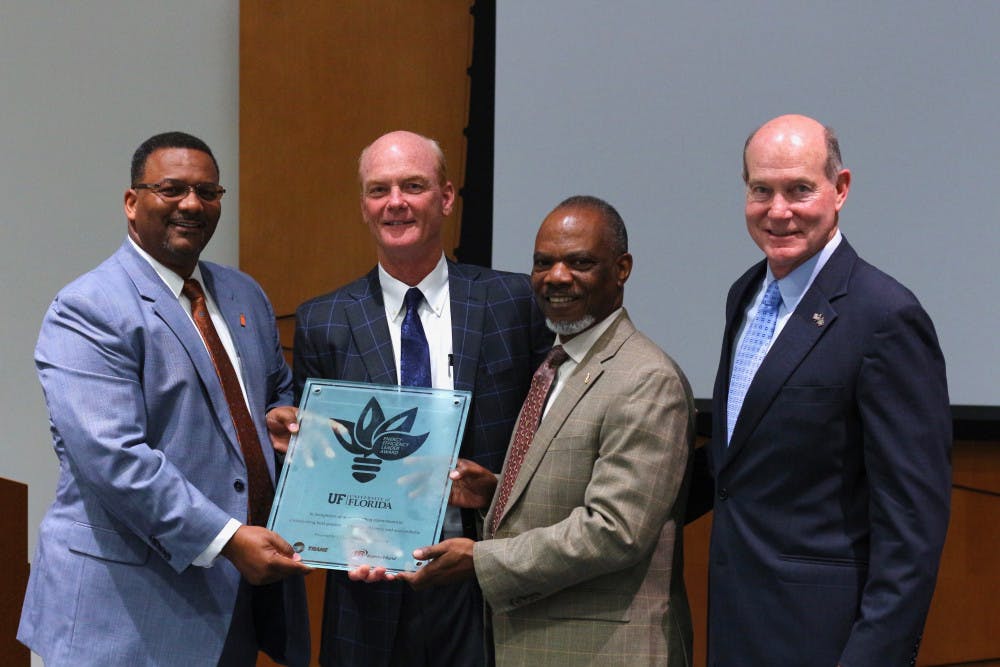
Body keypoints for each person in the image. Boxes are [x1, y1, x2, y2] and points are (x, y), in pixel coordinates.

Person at [355, 195, 696, 666]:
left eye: (580, 262)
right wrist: (494, 493)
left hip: (603, 651)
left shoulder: (646, 379)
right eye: (543, 262)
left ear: (622, 269)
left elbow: (615, 531)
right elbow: (567, 488)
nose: (557, 276)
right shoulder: (556, 366)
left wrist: (480, 560)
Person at [17, 131, 312, 666]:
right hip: (123, 614)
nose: (192, 205)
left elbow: (276, 389)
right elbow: (113, 458)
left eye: (208, 192)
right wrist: (227, 539)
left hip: (232, 607)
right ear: (132, 202)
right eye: (172, 189)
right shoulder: (89, 308)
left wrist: (276, 417)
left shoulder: (245, 295)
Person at [690, 114, 951, 666]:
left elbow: (911, 529)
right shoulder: (745, 294)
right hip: (735, 632)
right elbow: (738, 465)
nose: (778, 210)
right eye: (761, 190)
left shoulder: (885, 317)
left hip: (825, 643)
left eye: (799, 190)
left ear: (841, 189)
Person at [287, 130, 552, 667]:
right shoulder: (323, 320)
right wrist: (338, 536)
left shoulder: (512, 302)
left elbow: (551, 435)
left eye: (413, 186)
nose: (395, 203)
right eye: (379, 190)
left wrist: (495, 487)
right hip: (368, 589)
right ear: (364, 206)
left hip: (483, 574)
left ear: (446, 197)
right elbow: (315, 462)